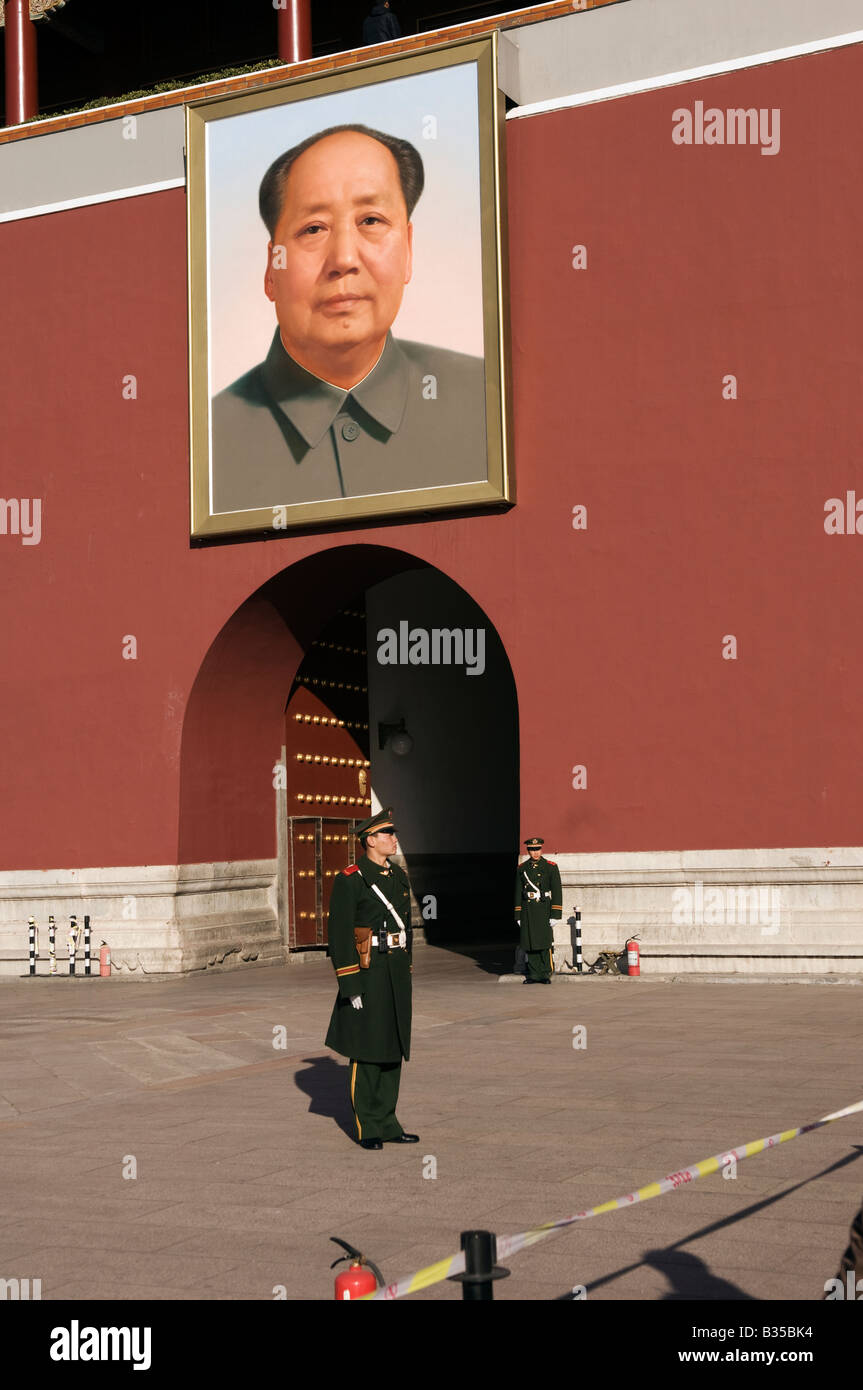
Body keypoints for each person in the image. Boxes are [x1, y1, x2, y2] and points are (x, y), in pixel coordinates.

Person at [211, 124, 486, 514]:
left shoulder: (488, 403)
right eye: (313, 229)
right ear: (272, 270)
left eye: (370, 221)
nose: (343, 259)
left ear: (407, 249)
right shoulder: (207, 447)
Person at [325, 807, 418, 1149]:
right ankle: (368, 1126)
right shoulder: (351, 879)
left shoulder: (397, 877)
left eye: (393, 833)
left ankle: (389, 1122)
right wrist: (350, 984)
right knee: (367, 1051)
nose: (394, 839)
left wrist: (406, 968)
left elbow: (405, 928)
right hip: (367, 973)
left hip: (394, 971)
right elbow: (339, 934)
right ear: (370, 841)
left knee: (393, 1048)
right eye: (387, 834)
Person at [514, 837, 562, 984]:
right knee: (530, 943)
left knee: (544, 942)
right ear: (528, 851)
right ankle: (534, 975)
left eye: (537, 849)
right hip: (528, 909)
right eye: (532, 850)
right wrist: (518, 914)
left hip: (543, 908)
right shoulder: (522, 868)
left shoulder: (550, 867)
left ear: (541, 849)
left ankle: (545, 974)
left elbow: (557, 891)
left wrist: (555, 914)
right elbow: (517, 892)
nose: (535, 852)